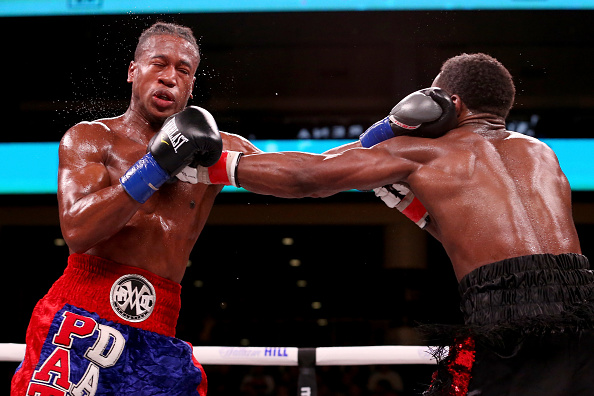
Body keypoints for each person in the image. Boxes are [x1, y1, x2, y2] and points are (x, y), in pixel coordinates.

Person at [196, 53, 594, 395]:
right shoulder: (542, 154)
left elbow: (311, 177)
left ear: (449, 103)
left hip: (508, 326)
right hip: (584, 315)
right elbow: (510, 255)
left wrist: (213, 165)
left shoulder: (426, 152)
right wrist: (419, 212)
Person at [11, 22, 261, 395]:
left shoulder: (219, 149)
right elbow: (77, 233)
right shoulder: (92, 138)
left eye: (183, 70)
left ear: (191, 85)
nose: (170, 78)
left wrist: (376, 150)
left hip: (159, 328)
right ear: (133, 71)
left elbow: (303, 174)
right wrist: (156, 166)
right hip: (81, 315)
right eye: (158, 64)